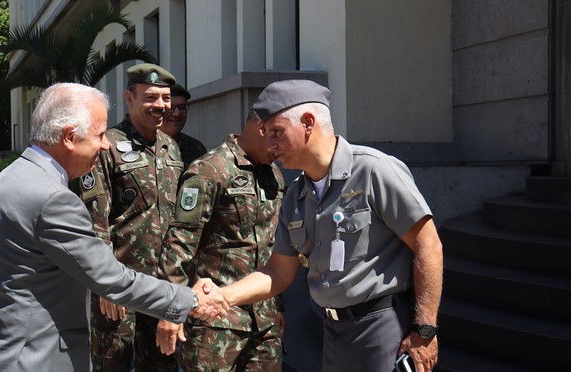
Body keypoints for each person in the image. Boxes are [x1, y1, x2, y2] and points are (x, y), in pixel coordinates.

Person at [0, 83, 228, 372]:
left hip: (1, 350)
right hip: (34, 359)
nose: (105, 145)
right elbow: (112, 280)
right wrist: (188, 298)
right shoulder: (52, 199)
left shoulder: (15, 174)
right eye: (100, 135)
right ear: (69, 137)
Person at [220, 80, 444, 372]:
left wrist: (425, 330)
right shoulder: (295, 196)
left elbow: (428, 244)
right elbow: (278, 272)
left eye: (276, 132)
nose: (269, 145)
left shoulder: (374, 170)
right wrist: (224, 296)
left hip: (383, 329)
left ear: (308, 123)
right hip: (331, 334)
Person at [156, 109, 285, 371]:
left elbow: (274, 247)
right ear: (262, 128)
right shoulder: (210, 169)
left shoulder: (274, 174)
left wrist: (278, 306)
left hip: (264, 321)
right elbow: (180, 243)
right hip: (215, 323)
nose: (281, 148)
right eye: (279, 136)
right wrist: (171, 309)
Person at [76, 63, 184, 372]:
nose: (160, 106)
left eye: (165, 98)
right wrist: (108, 285)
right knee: (113, 365)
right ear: (129, 97)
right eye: (151, 97)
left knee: (162, 366)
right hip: (120, 288)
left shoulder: (171, 148)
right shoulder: (107, 145)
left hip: (161, 288)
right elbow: (95, 223)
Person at [160, 83, 207, 168]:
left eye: (182, 107)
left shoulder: (195, 148)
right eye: (170, 107)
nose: (177, 113)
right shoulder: (140, 146)